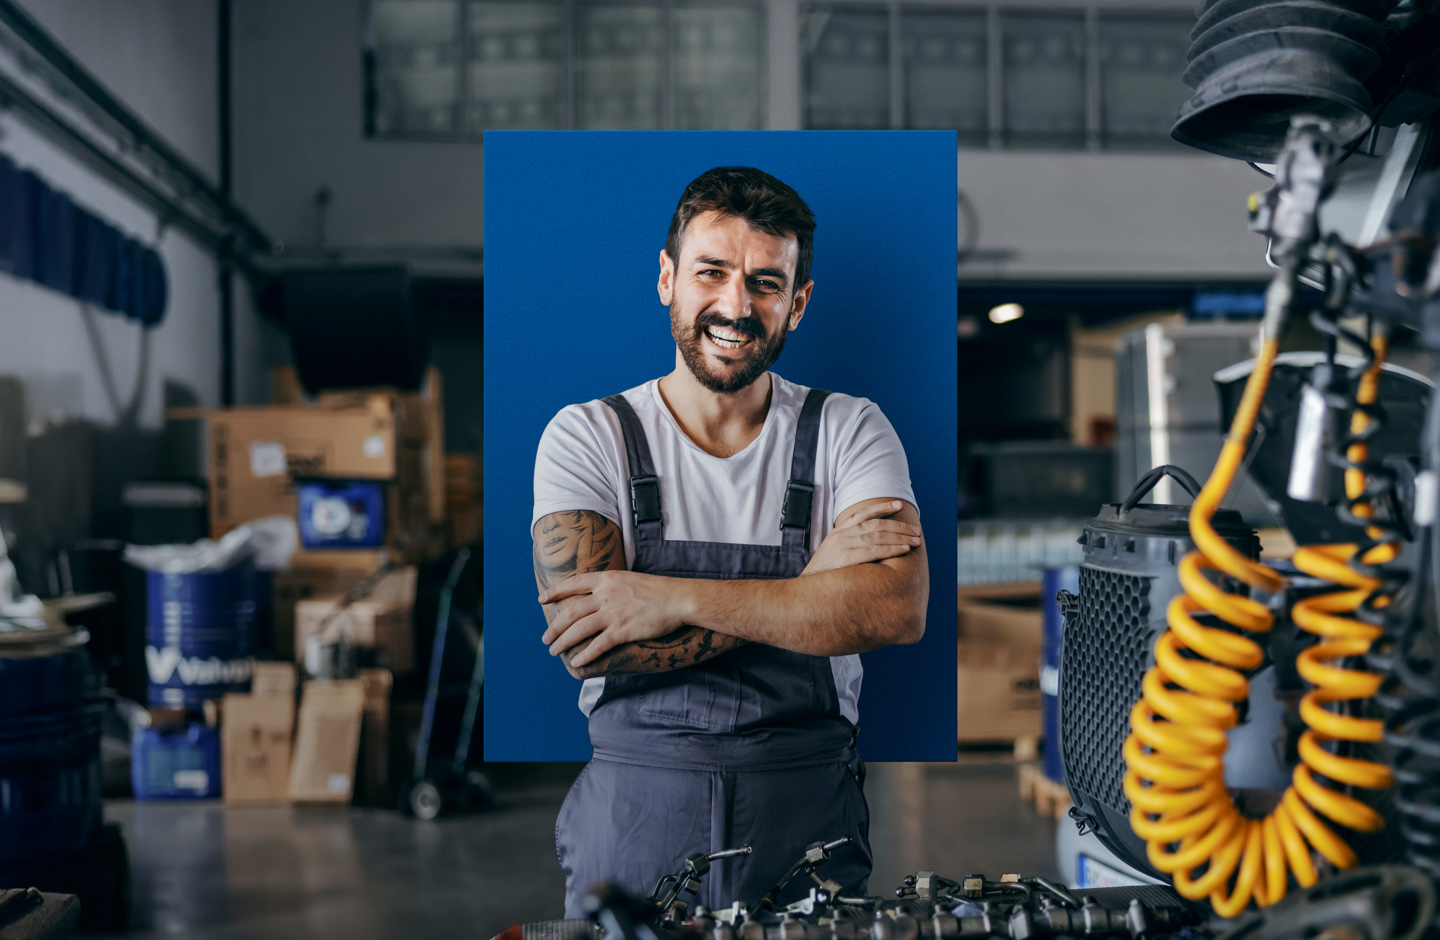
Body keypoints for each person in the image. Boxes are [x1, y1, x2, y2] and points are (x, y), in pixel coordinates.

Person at [532, 166, 929, 916]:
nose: (735, 305)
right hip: (637, 814)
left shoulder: (849, 430)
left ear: (799, 302)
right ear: (667, 278)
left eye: (766, 283)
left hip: (807, 812)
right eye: (711, 272)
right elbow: (592, 643)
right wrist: (812, 591)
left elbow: (892, 610)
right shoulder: (588, 436)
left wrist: (666, 596)